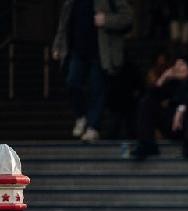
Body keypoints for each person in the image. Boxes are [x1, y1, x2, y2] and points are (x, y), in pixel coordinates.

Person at [52, 0, 133, 142]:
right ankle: (81, 116)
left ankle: (93, 127)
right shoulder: (71, 3)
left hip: (101, 53)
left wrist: (106, 20)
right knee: (72, 83)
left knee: (97, 89)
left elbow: (127, 17)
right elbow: (64, 26)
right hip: (78, 51)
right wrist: (58, 45)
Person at [132, 53, 188, 160]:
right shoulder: (173, 84)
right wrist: (163, 78)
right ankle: (147, 144)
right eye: (175, 65)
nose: (177, 68)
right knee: (146, 102)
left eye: (181, 65)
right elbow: (152, 96)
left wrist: (181, 108)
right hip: (174, 126)